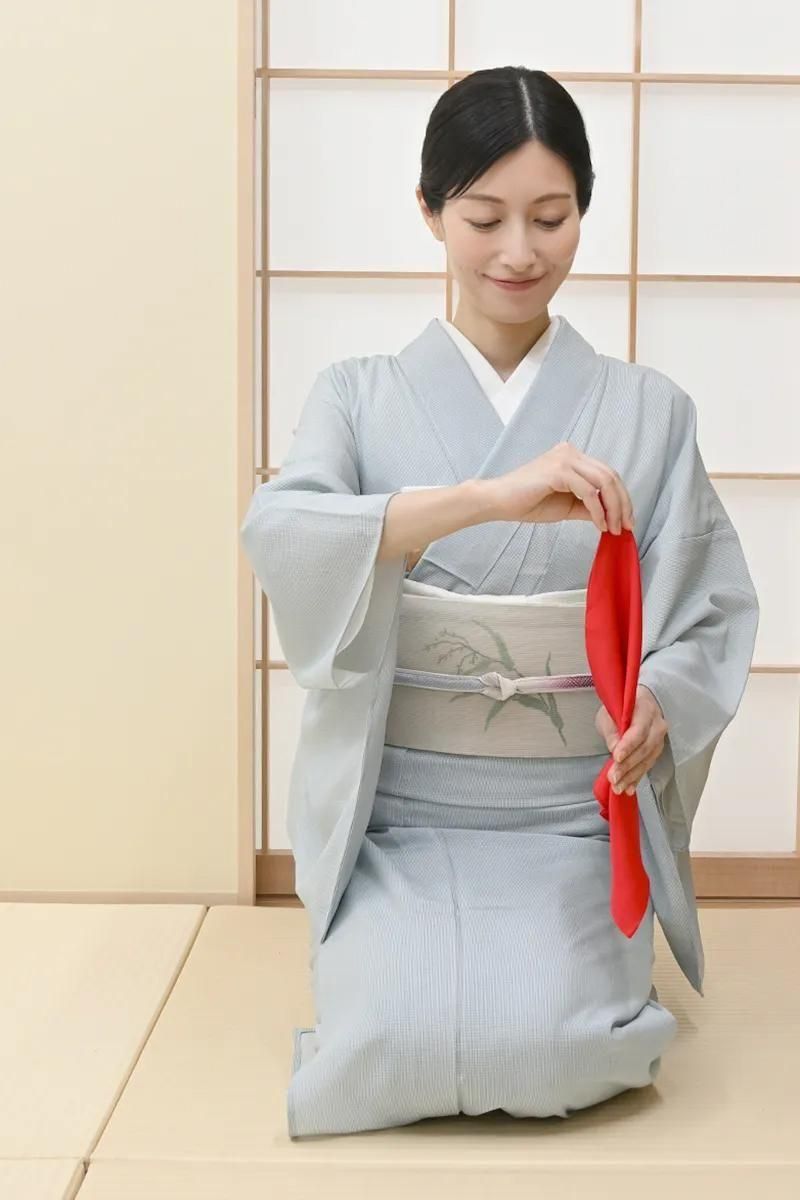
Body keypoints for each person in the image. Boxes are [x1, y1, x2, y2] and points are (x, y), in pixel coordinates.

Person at [240, 66, 760, 1139]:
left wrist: (659, 700)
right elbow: (284, 535)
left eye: (550, 217)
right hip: (398, 814)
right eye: (484, 218)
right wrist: (485, 498)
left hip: (569, 816)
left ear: (583, 211)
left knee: (559, 1044)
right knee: (388, 1039)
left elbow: (708, 607)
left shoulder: (649, 412)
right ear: (430, 211)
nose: (519, 251)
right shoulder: (355, 397)